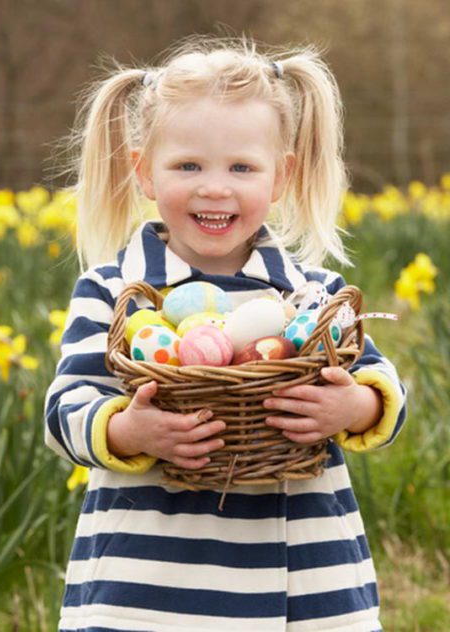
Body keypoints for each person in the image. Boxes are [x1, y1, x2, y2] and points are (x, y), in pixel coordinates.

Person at [44, 36, 407, 632]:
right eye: (188, 166)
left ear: (282, 176)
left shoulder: (311, 296)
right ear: (144, 172)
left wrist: (354, 407)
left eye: (242, 167)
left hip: (306, 584)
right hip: (151, 583)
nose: (215, 187)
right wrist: (127, 430)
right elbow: (65, 410)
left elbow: (382, 385)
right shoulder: (115, 292)